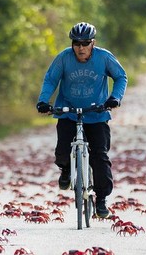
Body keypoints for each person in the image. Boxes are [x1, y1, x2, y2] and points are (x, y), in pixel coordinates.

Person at [35, 21, 127, 219]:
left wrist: (114, 98)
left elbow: (121, 77)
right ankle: (66, 170)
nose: (81, 48)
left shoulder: (104, 58)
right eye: (76, 43)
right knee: (61, 150)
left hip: (96, 113)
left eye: (85, 43)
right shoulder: (64, 58)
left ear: (92, 43)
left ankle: (101, 198)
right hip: (68, 111)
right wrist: (43, 101)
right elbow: (51, 79)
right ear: (72, 44)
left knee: (99, 156)